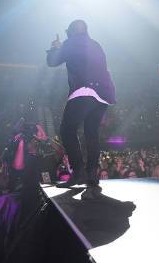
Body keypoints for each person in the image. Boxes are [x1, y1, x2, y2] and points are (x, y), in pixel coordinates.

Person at [47, 19, 116, 200]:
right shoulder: (96, 44)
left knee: (67, 129)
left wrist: (55, 47)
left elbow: (52, 62)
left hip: (84, 90)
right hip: (103, 94)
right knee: (91, 132)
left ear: (71, 32)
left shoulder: (70, 43)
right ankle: (92, 175)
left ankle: (78, 172)